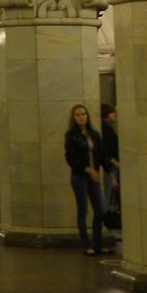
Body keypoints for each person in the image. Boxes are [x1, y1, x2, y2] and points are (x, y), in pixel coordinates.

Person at [63, 104, 107, 255]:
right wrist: (88, 170)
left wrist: (109, 173)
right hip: (80, 177)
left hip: (94, 176)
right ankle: (86, 244)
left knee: (100, 209)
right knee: (83, 210)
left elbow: (101, 155)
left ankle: (98, 243)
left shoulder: (94, 135)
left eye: (83, 114)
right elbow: (70, 158)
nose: (81, 117)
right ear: (73, 118)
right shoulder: (71, 136)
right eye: (78, 115)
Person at [99, 103, 121, 228]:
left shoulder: (107, 128)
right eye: (112, 113)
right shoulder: (106, 129)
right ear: (106, 115)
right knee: (107, 194)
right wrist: (116, 163)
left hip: (111, 165)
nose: (115, 115)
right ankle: (107, 220)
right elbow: (106, 150)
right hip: (111, 166)